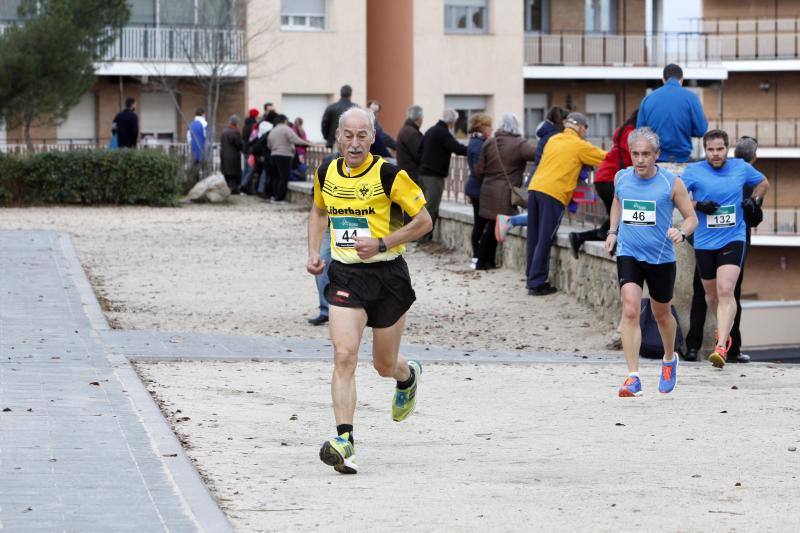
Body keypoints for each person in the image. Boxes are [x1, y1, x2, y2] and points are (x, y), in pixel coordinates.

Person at [306, 107, 433, 474]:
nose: (355, 143)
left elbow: (424, 221)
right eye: (348, 135)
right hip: (346, 275)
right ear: (338, 137)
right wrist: (315, 251)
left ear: (373, 138)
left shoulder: (390, 174)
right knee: (344, 356)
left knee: (383, 365)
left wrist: (382, 242)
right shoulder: (327, 171)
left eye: (363, 135)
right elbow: (318, 211)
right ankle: (345, 442)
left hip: (388, 275)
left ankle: (406, 378)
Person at [605, 127, 698, 397]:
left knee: (661, 314)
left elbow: (691, 217)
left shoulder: (671, 183)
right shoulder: (621, 178)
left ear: (656, 155)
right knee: (631, 310)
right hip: (629, 252)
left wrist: (681, 232)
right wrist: (613, 231)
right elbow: (616, 203)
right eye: (635, 154)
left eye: (646, 154)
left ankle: (669, 359)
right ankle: (633, 377)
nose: (640, 159)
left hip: (660, 258)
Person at [681, 130, 769, 367]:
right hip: (704, 240)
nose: (715, 154)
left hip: (733, 237)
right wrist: (699, 204)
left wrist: (754, 200)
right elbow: (676, 197)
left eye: (720, 149)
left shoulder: (740, 167)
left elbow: (763, 182)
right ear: (705, 150)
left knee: (726, 289)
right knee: (710, 295)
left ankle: (721, 346)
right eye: (711, 149)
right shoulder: (694, 171)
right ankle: (724, 328)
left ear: (727, 149)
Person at [526, 112, 606, 295]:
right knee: (545, 237)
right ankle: (537, 283)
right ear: (580, 127)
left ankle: (531, 277)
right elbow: (604, 158)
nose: (585, 132)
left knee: (534, 236)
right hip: (554, 193)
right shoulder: (579, 145)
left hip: (535, 187)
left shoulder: (553, 140)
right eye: (585, 128)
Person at [568, 109, 639, 258]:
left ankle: (580, 238)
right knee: (622, 215)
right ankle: (605, 237)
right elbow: (635, 154)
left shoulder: (625, 129)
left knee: (616, 219)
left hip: (604, 178)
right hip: (610, 179)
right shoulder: (631, 133)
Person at [474, 113, 536, 270]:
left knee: (492, 225)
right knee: (493, 227)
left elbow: (479, 169)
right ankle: (483, 262)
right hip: (504, 192)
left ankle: (487, 261)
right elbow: (538, 155)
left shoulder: (489, 142)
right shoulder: (519, 144)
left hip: (488, 189)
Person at [637, 63, 707, 170]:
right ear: (682, 79)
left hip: (656, 161)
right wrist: (685, 129)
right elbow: (701, 130)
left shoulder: (648, 99)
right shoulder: (692, 98)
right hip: (682, 159)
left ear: (663, 80)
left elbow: (640, 133)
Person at [418, 108, 468, 237]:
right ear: (452, 122)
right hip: (434, 176)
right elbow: (457, 148)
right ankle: (424, 237)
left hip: (423, 173)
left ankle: (419, 236)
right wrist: (473, 149)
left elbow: (419, 150)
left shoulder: (430, 131)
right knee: (431, 207)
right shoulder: (443, 133)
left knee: (423, 207)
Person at [464, 113, 493, 269]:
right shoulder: (478, 143)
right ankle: (477, 257)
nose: (491, 130)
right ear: (482, 127)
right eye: (489, 126)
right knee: (480, 224)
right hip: (477, 189)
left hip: (476, 188)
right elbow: (477, 169)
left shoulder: (476, 141)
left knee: (480, 224)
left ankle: (478, 256)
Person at [268, 114, 311, 203]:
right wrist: (306, 143)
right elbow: (295, 139)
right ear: (284, 121)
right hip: (285, 155)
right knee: (284, 177)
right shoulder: (286, 129)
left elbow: (269, 144)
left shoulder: (273, 130)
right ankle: (279, 198)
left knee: (276, 176)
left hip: (274, 154)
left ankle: (274, 195)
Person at [396, 105, 424, 184]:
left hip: (407, 174)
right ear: (419, 118)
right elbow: (420, 155)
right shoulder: (412, 133)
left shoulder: (406, 130)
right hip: (412, 176)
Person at [220, 115, 243, 193]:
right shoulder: (235, 132)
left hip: (224, 154)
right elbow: (238, 144)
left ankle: (227, 189)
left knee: (226, 173)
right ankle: (233, 189)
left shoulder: (224, 131)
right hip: (233, 156)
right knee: (233, 174)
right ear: (236, 123)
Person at [187, 108, 207, 185]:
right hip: (202, 148)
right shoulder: (204, 124)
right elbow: (206, 136)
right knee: (203, 167)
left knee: (195, 166)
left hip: (193, 148)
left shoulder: (191, 124)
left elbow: (188, 137)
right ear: (202, 114)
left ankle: (194, 182)